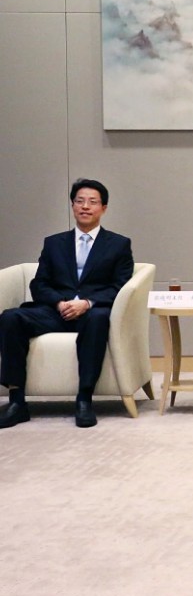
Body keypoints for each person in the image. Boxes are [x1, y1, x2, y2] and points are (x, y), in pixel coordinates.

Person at [0, 179, 134, 429]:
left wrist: (87, 303)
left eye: (92, 202)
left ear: (103, 208)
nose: (85, 206)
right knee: (10, 318)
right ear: (72, 206)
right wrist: (59, 302)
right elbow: (39, 284)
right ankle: (17, 401)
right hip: (55, 312)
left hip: (90, 313)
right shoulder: (54, 243)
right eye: (80, 201)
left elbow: (119, 287)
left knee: (97, 318)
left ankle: (84, 399)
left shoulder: (118, 244)